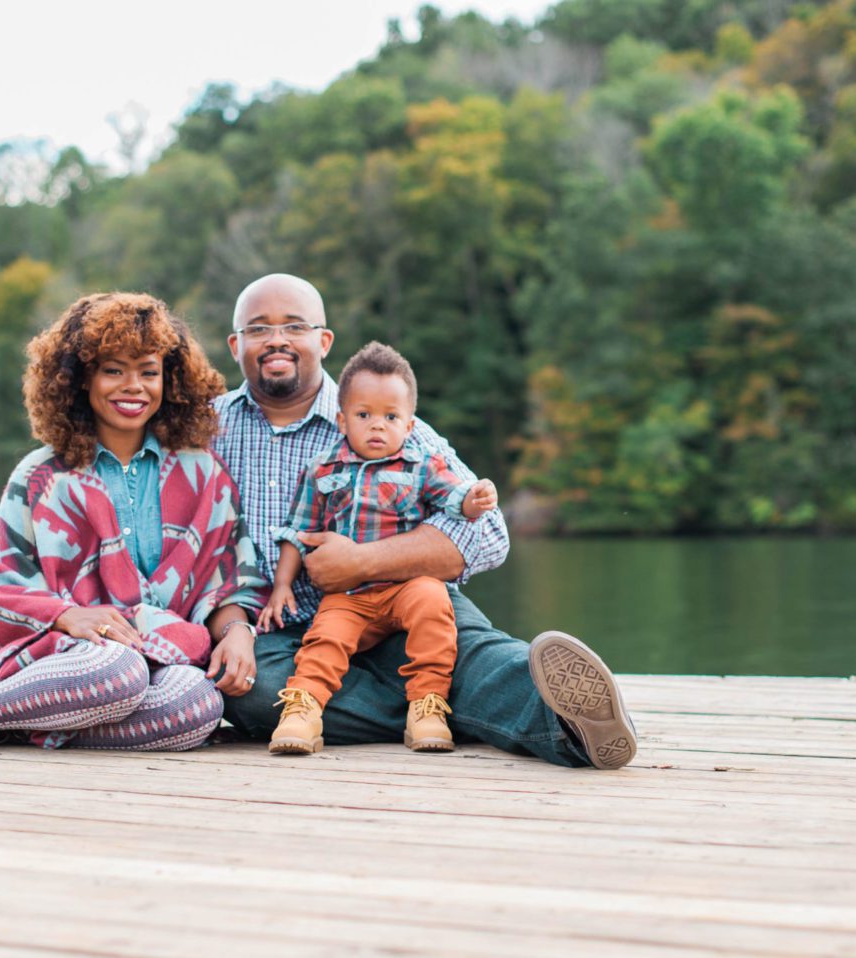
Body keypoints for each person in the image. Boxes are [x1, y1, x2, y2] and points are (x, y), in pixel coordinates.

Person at [212, 274, 637, 769]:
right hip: (280, 633)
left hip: (405, 602)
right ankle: (437, 709)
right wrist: (234, 625)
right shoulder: (204, 430)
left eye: (294, 326)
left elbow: (490, 533)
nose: (277, 340)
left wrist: (362, 561)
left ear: (323, 340)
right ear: (235, 343)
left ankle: (571, 730)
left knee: (469, 653)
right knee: (252, 692)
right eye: (259, 329)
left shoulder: (387, 420)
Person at [0, 292, 266, 752]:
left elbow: (229, 580)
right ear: (80, 379)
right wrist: (69, 616)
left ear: (171, 380)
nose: (133, 386)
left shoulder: (203, 475)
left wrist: (239, 632)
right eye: (113, 369)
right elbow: (3, 582)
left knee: (198, 706)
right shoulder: (40, 477)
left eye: (148, 371)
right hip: (65, 655)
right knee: (119, 668)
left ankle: (5, 717)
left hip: (164, 651)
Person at [260, 342, 498, 755]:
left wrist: (474, 498)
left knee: (434, 606)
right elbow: (297, 532)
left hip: (405, 585)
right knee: (324, 639)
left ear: (408, 426)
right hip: (348, 596)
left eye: (390, 417)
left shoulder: (422, 464)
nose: (377, 426)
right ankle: (303, 710)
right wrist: (282, 585)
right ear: (342, 420)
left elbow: (454, 497)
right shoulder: (322, 470)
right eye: (364, 415)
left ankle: (427, 707)